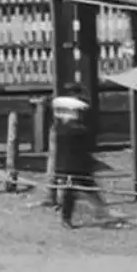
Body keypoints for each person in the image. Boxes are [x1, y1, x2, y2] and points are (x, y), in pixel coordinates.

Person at [51, 95, 110, 228]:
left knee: (88, 189)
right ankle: (67, 218)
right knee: (71, 193)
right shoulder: (71, 129)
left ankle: (100, 210)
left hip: (78, 165)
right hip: (70, 166)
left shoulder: (64, 127)